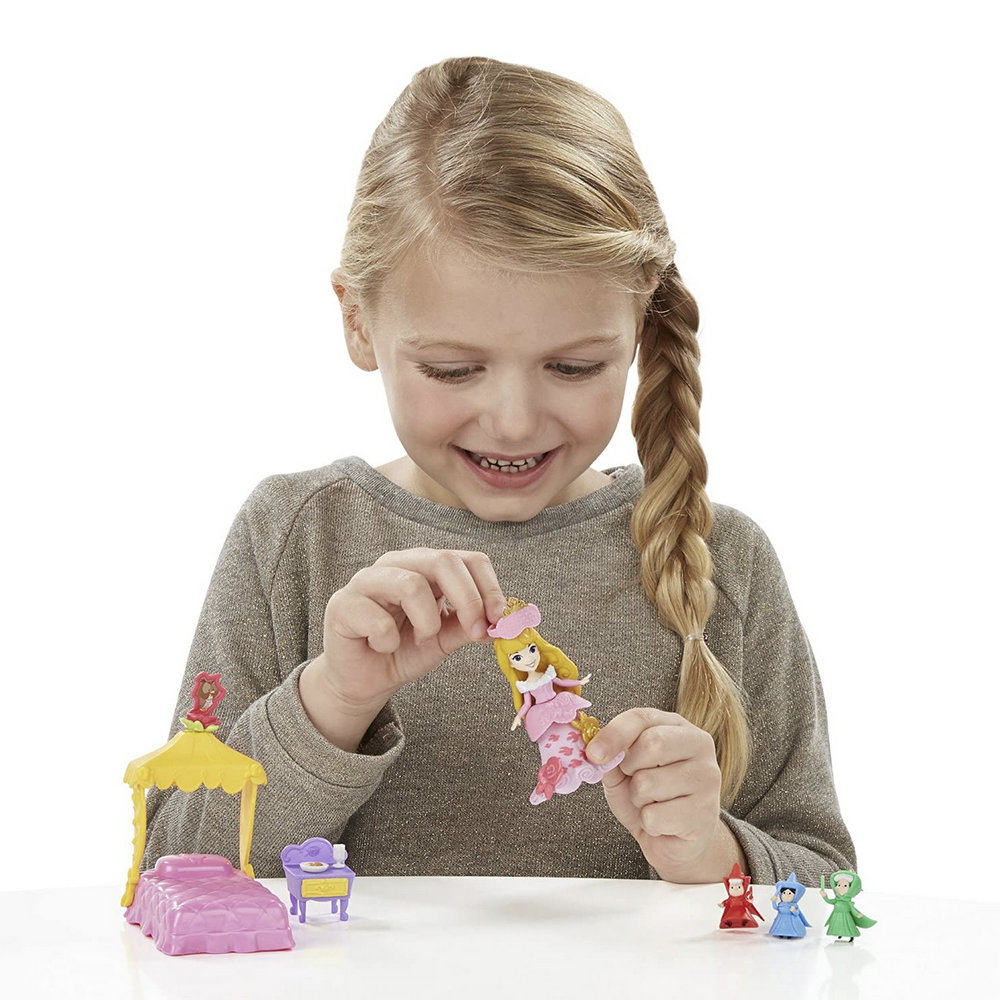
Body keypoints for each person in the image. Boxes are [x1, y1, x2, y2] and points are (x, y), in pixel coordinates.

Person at [141, 55, 857, 884]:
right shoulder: (294, 536)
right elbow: (173, 873)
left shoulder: (724, 562)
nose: (514, 421)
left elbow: (827, 887)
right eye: (454, 370)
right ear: (359, 322)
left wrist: (714, 853)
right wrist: (332, 701)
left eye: (574, 367)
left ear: (639, 327)